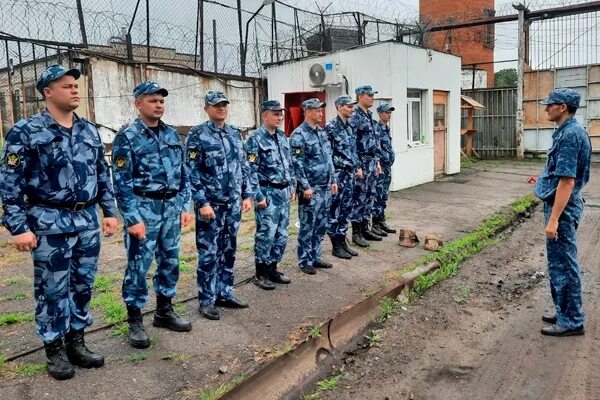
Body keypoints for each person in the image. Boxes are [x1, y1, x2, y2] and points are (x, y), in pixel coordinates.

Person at [0, 64, 118, 380]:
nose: (74, 89)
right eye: (66, 85)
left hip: (86, 219)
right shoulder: (26, 131)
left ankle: (76, 342)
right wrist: (18, 226)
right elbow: (10, 182)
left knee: (83, 283)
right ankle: (54, 348)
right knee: (52, 288)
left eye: (75, 85)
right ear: (47, 91)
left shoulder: (88, 130)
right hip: (48, 219)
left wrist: (109, 212)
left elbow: (101, 174)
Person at [111, 81, 193, 349]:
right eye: (152, 101)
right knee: (138, 265)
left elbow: (184, 174)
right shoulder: (128, 137)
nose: (158, 105)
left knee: (171, 260)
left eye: (161, 101)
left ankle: (164, 311)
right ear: (138, 104)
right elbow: (121, 182)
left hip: (170, 208)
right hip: (144, 207)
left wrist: (184, 205)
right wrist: (132, 218)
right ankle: (135, 320)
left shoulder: (171, 135)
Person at [186, 90, 253, 320]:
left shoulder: (234, 134)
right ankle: (206, 299)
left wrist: (246, 194)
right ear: (206, 108)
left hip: (232, 204)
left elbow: (243, 166)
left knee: (229, 250)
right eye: (216, 105)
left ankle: (225, 292)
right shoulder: (197, 135)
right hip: (211, 206)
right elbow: (191, 172)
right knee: (209, 253)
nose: (221, 108)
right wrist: (201, 202)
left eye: (224, 104)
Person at [534, 88, 591, 337]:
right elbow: (560, 175)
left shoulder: (570, 135)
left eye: (551, 105)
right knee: (558, 263)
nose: (547, 108)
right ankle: (564, 310)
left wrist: (554, 219)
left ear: (563, 108)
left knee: (564, 265)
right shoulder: (566, 132)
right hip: (562, 204)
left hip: (564, 210)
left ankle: (571, 321)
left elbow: (567, 182)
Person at [246, 100, 294, 290]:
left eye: (281, 114)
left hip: (283, 192)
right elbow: (251, 169)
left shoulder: (282, 137)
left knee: (281, 234)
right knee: (266, 234)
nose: (280, 117)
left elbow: (288, 164)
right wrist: (258, 196)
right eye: (275, 114)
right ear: (265, 115)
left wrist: (291, 187)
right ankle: (261, 273)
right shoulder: (255, 138)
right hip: (267, 192)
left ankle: (273, 268)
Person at [290, 98, 338, 274]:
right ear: (307, 111)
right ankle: (305, 260)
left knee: (321, 225)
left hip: (325, 187)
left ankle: (315, 256)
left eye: (321, 110)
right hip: (311, 189)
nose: (321, 113)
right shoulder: (298, 135)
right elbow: (296, 164)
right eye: (317, 110)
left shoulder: (322, 133)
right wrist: (305, 186)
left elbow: (328, 158)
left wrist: (333, 180)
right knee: (307, 226)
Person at [325, 95, 363, 258]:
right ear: (340, 107)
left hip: (349, 175)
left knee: (346, 209)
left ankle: (342, 241)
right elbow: (328, 155)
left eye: (352, 106)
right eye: (348, 106)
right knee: (335, 210)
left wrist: (357, 166)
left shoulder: (349, 127)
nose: (352, 109)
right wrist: (332, 178)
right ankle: (336, 245)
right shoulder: (331, 127)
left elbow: (353, 150)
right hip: (339, 174)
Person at [349, 85, 385, 245]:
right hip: (361, 162)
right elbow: (352, 144)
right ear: (361, 96)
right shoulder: (354, 116)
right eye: (370, 95)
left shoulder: (369, 116)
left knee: (370, 195)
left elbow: (374, 142)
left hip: (371, 161)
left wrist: (377, 161)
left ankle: (365, 228)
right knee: (359, 197)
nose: (372, 98)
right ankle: (356, 233)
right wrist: (357, 166)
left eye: (372, 95)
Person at [372, 103, 397, 235]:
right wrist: (378, 163)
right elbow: (375, 149)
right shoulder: (376, 129)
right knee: (378, 195)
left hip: (387, 167)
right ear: (380, 113)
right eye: (386, 112)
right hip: (380, 167)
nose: (389, 115)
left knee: (384, 195)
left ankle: (381, 221)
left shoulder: (386, 129)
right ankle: (375, 223)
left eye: (390, 112)